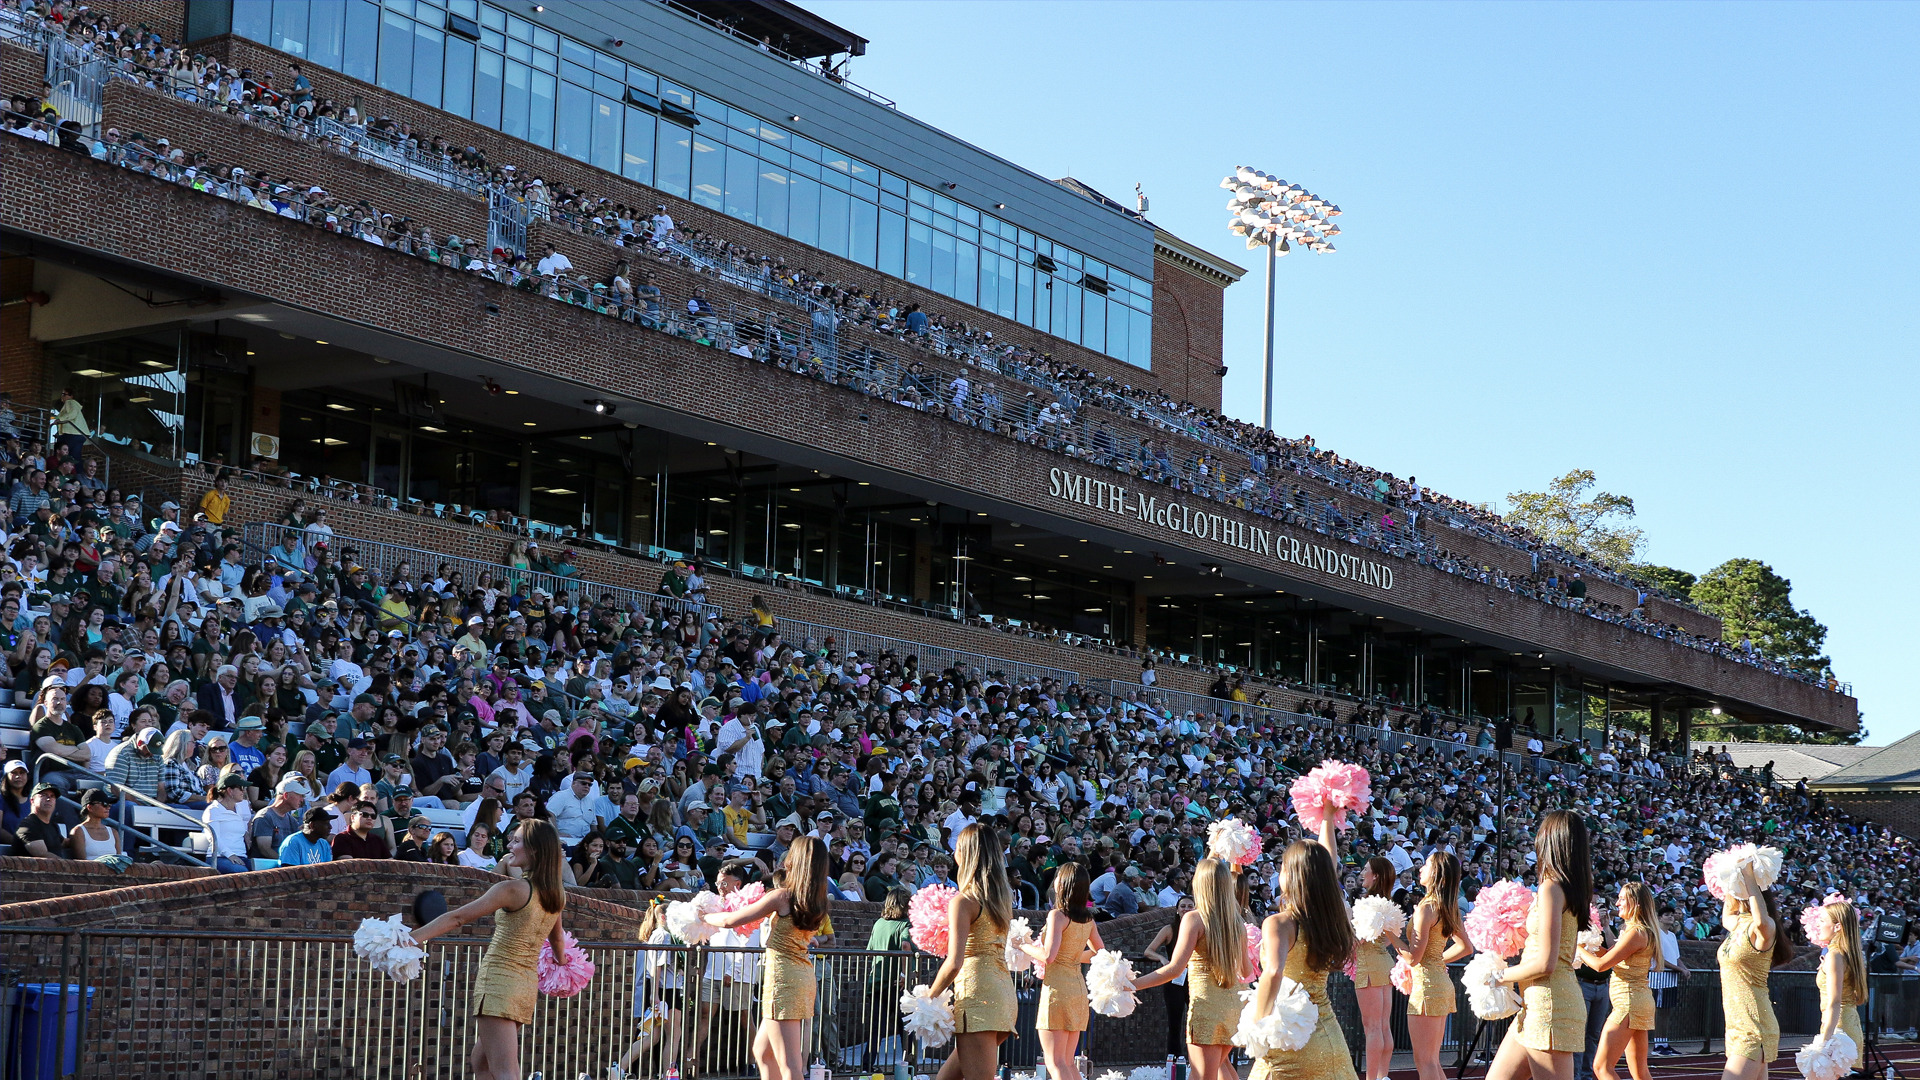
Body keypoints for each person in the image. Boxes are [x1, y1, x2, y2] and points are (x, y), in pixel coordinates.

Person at [410, 819, 573, 1080]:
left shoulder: (512, 889)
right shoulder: (556, 894)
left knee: (506, 1071)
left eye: (517, 841)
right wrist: (565, 964)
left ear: (535, 850)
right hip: (524, 986)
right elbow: (557, 941)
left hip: (499, 983)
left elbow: (458, 918)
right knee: (481, 1062)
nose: (510, 845)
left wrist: (411, 938)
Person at [703, 835, 831, 1080]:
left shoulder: (782, 896)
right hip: (798, 974)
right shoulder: (816, 899)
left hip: (784, 979)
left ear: (798, 860)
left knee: (790, 1064)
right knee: (763, 1053)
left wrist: (702, 917)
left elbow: (730, 920)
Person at [1244, 812, 1358, 1080]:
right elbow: (1327, 866)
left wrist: (1257, 1025)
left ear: (1292, 874)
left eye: (1283, 867)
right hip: (1330, 1037)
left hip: (1290, 1041)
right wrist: (1328, 817)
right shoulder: (1329, 920)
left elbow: (1273, 973)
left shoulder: (1279, 923)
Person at [1487, 810, 1593, 1080]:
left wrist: (1499, 976)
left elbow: (1546, 962)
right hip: (1537, 1002)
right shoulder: (1568, 888)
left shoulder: (1552, 888)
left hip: (1549, 1003)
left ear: (1550, 841)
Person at [1132, 857, 1248, 1080]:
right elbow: (1245, 969)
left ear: (1200, 884)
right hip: (1233, 1005)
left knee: (1203, 1075)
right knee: (1222, 1070)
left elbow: (1175, 969)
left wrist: (1132, 985)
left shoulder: (1194, 918)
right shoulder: (1237, 922)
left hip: (1206, 1007)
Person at [924, 823, 1017, 1080]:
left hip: (977, 997)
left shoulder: (963, 901)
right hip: (1003, 995)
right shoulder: (1002, 900)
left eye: (957, 849)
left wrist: (928, 998)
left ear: (965, 854)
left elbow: (954, 962)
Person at [1019, 860, 1104, 1080]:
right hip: (1077, 991)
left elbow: (1048, 956)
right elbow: (1099, 952)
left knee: (1055, 1062)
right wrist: (1074, 957)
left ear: (1063, 884)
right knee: (1068, 1061)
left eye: (1058, 877)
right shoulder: (1088, 919)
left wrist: (1022, 945)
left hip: (1057, 991)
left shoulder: (1057, 915)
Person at [1715, 861, 1792, 1080]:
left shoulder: (1764, 928)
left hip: (1754, 1026)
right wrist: (1729, 880)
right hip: (1736, 1025)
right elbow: (1726, 915)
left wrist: (1749, 875)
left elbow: (1760, 918)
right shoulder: (1738, 924)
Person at [1577, 881, 1660, 1080]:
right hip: (1637, 1002)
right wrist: (1589, 940)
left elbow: (1600, 965)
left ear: (1636, 903)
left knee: (1602, 1067)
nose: (1617, 903)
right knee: (1640, 1072)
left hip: (1629, 1004)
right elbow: (1608, 954)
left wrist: (1576, 947)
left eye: (1622, 899)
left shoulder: (1636, 932)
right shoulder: (1638, 930)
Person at [1404, 851, 1473, 1080]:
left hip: (1427, 988)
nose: (1421, 868)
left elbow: (1413, 958)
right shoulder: (1446, 906)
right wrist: (1435, 960)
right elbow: (1466, 947)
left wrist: (1390, 934)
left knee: (1425, 1061)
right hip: (1439, 984)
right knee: (1431, 1061)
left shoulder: (1427, 908)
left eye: (1427, 864)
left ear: (1438, 875)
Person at [612, 899, 687, 1080]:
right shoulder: (664, 936)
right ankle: (666, 1073)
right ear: (663, 917)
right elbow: (656, 967)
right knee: (668, 1035)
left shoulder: (660, 935)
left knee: (656, 1036)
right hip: (664, 989)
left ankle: (620, 1068)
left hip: (665, 989)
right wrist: (655, 994)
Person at [1352, 856, 1408, 1080]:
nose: (1361, 873)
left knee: (1373, 1027)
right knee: (1383, 1026)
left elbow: (1358, 941)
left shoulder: (1368, 904)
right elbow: (1390, 940)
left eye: (1365, 869)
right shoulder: (1388, 904)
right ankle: (1382, 1076)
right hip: (1384, 963)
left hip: (1369, 966)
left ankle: (1372, 1077)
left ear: (1375, 875)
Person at [1813, 897, 1866, 1075]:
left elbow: (1834, 1002)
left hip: (1838, 1027)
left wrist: (1824, 1041)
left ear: (1837, 926)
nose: (1818, 925)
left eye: (1822, 921)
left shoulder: (1835, 955)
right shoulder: (1846, 954)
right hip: (1845, 1024)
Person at [1141, 894, 1195, 1059]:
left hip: (1195, 978)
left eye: (1189, 906)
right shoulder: (1169, 929)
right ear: (1177, 910)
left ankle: (1195, 1058)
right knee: (1175, 1021)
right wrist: (1163, 959)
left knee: (1196, 1020)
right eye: (1183, 906)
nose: (1186, 909)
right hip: (1175, 979)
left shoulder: (1200, 927)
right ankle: (1174, 1059)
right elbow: (1149, 951)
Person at [66, 788, 123, 862]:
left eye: (109, 804)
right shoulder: (78, 831)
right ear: (90, 807)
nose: (108, 807)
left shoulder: (113, 832)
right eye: (104, 804)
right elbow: (82, 864)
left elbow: (119, 862)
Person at [10, 782, 63, 857]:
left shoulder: (53, 825)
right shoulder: (28, 825)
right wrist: (69, 867)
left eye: (52, 796)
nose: (48, 799)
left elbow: (63, 842)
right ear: (32, 801)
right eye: (43, 795)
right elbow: (43, 856)